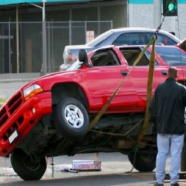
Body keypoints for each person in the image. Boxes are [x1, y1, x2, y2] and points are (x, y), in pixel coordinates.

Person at [149, 67, 186, 186]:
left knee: (162, 154)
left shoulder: (159, 88)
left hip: (162, 127)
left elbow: (152, 107)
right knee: (175, 155)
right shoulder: (182, 89)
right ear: (177, 75)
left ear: (167, 75)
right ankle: (173, 181)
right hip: (178, 128)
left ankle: (159, 181)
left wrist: (155, 122)